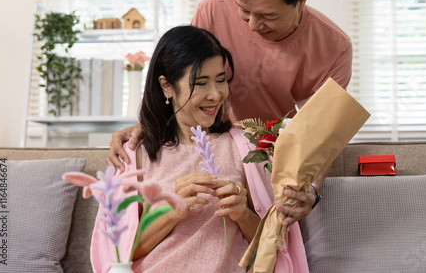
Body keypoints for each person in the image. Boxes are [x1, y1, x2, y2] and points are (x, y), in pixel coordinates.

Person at [108, 0, 352, 228]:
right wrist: (151, 122)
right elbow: (184, 77)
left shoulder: (334, 47)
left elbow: (322, 135)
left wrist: (310, 189)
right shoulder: (213, 9)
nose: (252, 25)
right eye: (244, 11)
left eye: (268, 16)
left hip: (268, 157)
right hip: (212, 143)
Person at [91, 25, 309, 272]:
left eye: (220, 80)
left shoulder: (245, 147)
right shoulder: (135, 154)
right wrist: (171, 211)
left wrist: (242, 214)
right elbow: (118, 253)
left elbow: (274, 247)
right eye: (201, 83)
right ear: (167, 86)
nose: (216, 95)